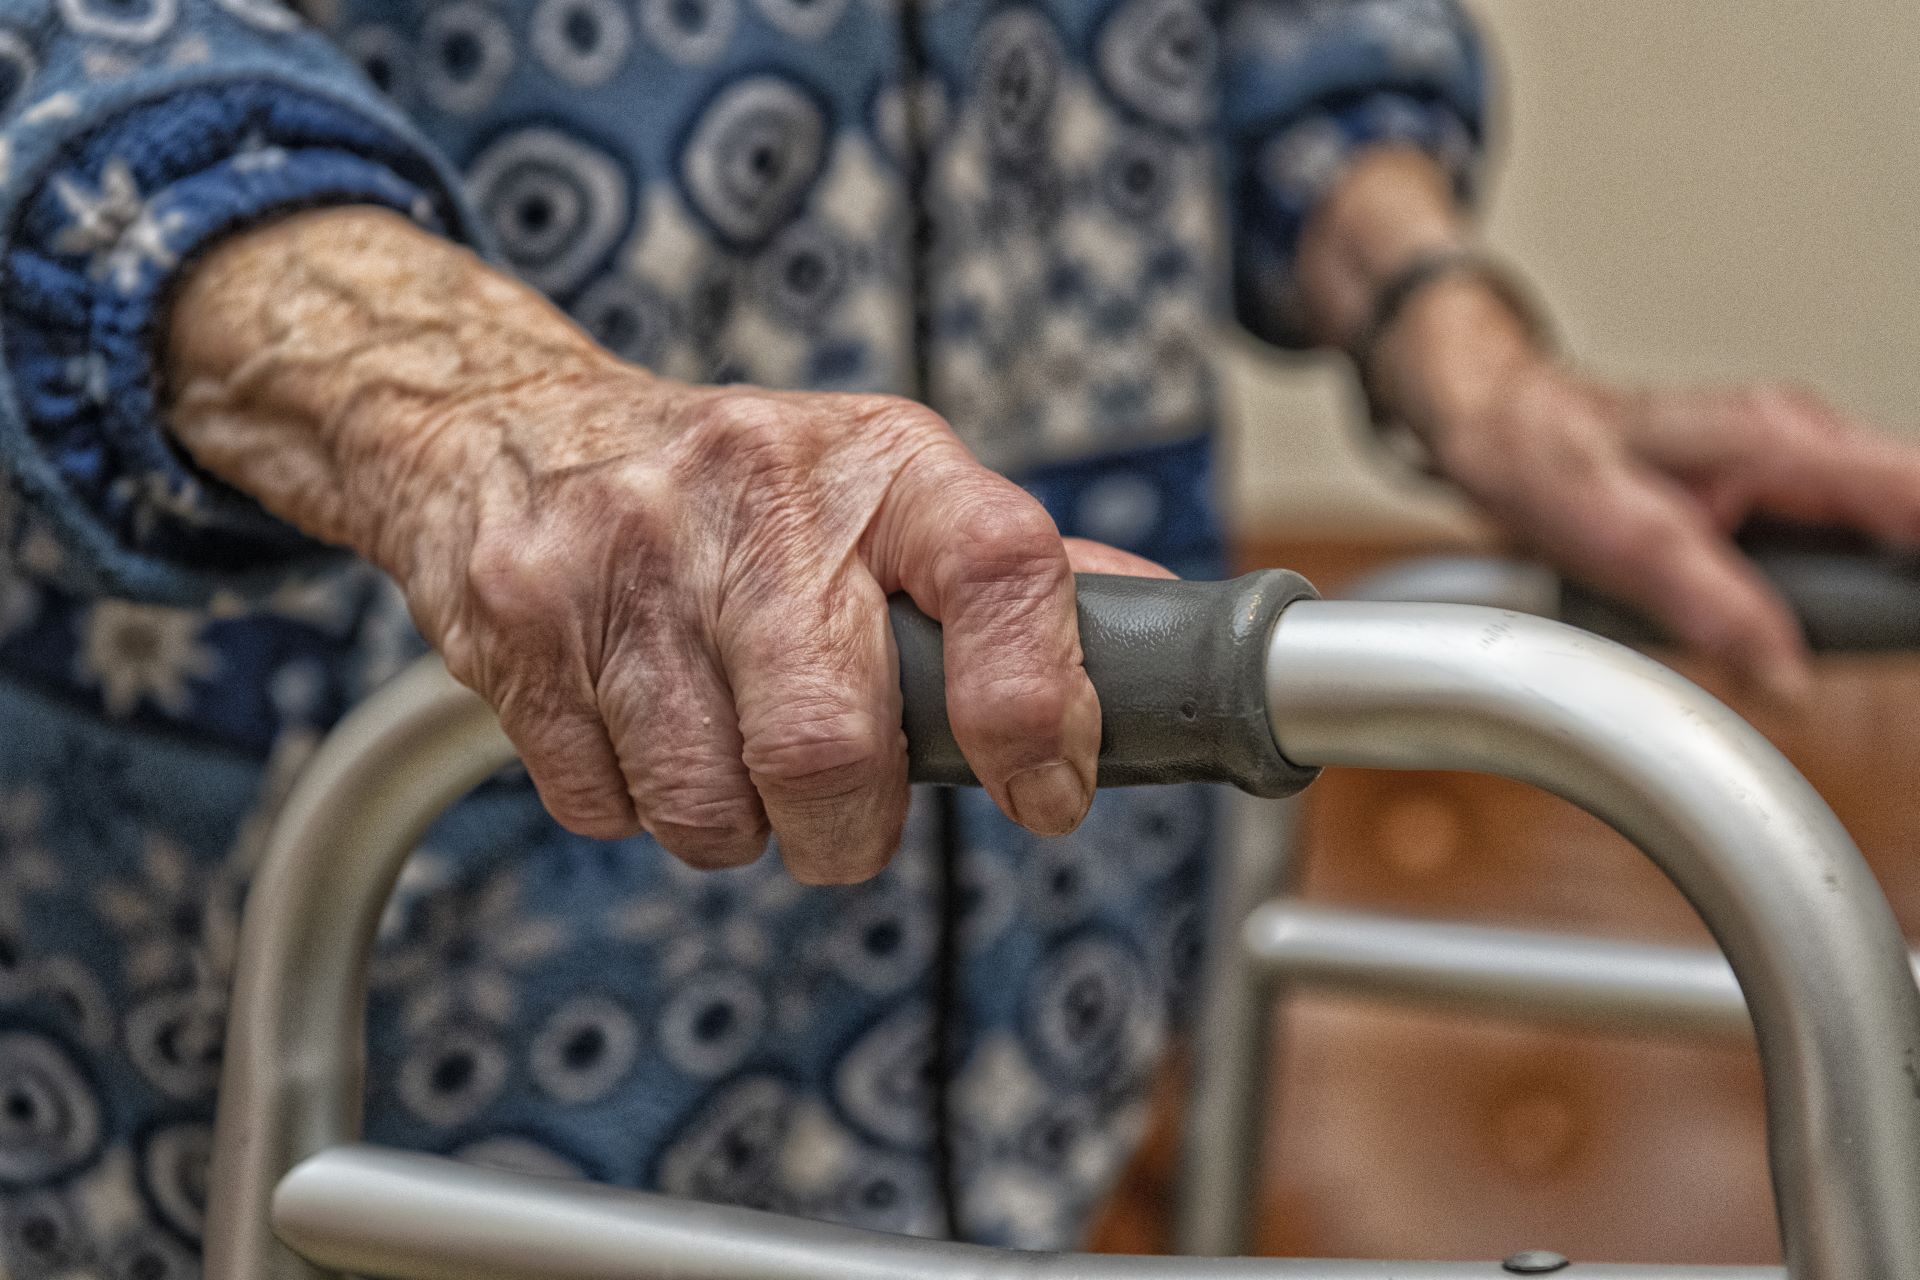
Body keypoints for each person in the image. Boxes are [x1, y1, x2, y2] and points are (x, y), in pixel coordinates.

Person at [4, 0, 1919, 1269]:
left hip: (1031, 1028)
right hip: (338, 1040)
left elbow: (1260, 40)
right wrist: (476, 428)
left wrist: (1467, 353)